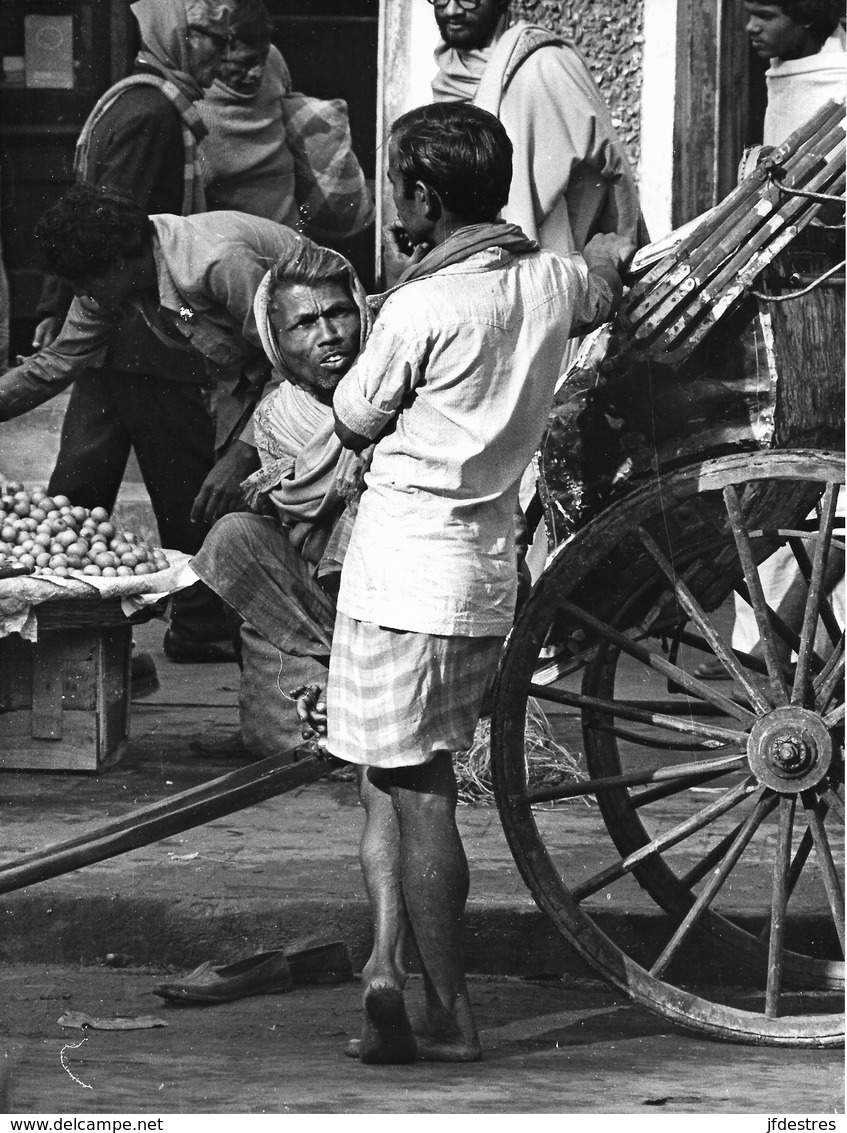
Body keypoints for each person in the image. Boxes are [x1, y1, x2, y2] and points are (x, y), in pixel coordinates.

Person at [321, 103, 633, 1063]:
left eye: (397, 190)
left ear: (421, 196)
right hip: (479, 581)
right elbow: (609, 269)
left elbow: (352, 415)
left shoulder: (422, 305)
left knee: (410, 793)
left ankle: (442, 1005)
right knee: (398, 778)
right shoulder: (547, 284)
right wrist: (616, 224)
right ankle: (387, 967)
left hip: (397, 576)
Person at [31, 0, 244, 663]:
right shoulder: (153, 111)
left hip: (114, 323)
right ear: (172, 34)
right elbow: (108, 225)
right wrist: (70, 304)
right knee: (183, 483)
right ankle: (197, 624)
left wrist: (55, 301)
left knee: (81, 487)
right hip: (144, 332)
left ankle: (64, 624)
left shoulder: (127, 99)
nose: (221, 53)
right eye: (207, 36)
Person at [0, 186, 316, 533]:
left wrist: (244, 454)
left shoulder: (217, 263)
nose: (79, 293)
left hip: (314, 360)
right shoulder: (112, 280)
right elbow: (56, 362)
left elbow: (297, 365)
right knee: (226, 501)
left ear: (118, 264)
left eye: (83, 281)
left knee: (281, 504)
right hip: (250, 366)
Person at [188, 236, 372, 760]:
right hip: (328, 601)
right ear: (275, 339)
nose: (330, 335)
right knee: (234, 536)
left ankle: (350, 684)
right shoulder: (278, 416)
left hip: (395, 594)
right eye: (305, 324)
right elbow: (299, 526)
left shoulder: (389, 388)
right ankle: (338, 676)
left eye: (340, 313)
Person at [425, 0, 642, 259]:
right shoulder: (447, 77)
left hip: (559, 266)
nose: (452, 10)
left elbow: (614, 171)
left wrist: (620, 252)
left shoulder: (546, 65)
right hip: (474, 269)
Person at [197, 2, 300, 229]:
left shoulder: (274, 59)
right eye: (244, 62)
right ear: (217, 50)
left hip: (290, 231)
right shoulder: (194, 98)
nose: (257, 72)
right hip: (239, 245)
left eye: (261, 58)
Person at [744, 0, 846, 145]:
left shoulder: (840, 82)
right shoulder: (781, 69)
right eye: (750, 14)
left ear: (807, 16)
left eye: (765, 16)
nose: (750, 27)